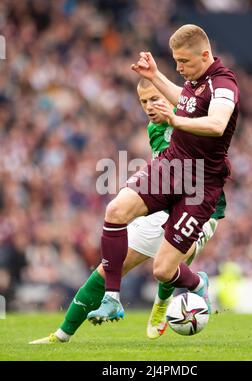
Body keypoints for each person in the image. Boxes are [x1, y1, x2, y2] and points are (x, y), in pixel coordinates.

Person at [29, 78, 226, 344]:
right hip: (167, 199)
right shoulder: (155, 126)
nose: (148, 106)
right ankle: (61, 335)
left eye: (155, 99)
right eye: (144, 101)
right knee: (109, 268)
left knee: (169, 263)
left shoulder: (195, 117)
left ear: (174, 96)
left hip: (200, 204)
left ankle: (163, 301)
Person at [86, 24, 239, 325]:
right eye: (176, 61)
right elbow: (182, 100)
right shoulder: (194, 82)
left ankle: (197, 283)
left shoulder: (223, 84)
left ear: (205, 54)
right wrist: (155, 75)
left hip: (200, 180)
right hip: (171, 164)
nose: (179, 68)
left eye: (184, 61)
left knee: (163, 270)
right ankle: (112, 299)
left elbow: (217, 124)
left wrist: (175, 119)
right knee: (116, 210)